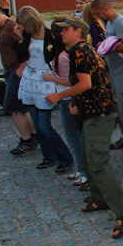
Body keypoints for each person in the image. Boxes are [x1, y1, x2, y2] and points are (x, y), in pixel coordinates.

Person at [46, 18, 123, 239]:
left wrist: (59, 95)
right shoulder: (83, 50)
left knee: (97, 161)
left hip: (100, 114)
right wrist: (77, 101)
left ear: (78, 32)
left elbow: (85, 84)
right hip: (93, 112)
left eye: (66, 30)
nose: (61, 34)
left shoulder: (79, 52)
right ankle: (100, 198)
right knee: (88, 158)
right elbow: (92, 82)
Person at [15, 6, 75, 172]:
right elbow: (21, 56)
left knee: (45, 126)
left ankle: (65, 157)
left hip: (45, 80)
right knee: (37, 125)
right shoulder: (27, 36)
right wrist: (19, 39)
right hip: (30, 79)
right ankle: (49, 156)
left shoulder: (50, 36)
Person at [0, 4, 37, 154]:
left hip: (16, 72)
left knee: (12, 106)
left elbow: (27, 46)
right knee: (21, 107)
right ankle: (34, 135)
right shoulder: (6, 28)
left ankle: (27, 139)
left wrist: (21, 68)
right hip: (13, 71)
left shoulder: (11, 27)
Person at [43, 19, 87, 186]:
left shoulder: (64, 56)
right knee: (75, 137)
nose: (62, 34)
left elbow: (72, 82)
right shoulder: (64, 53)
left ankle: (84, 170)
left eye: (65, 30)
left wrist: (52, 79)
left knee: (74, 137)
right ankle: (82, 169)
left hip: (68, 98)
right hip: (68, 97)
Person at [92, 0, 123, 150]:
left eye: (97, 13)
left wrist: (108, 46)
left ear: (105, 9)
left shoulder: (120, 22)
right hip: (114, 70)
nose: (97, 17)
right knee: (120, 106)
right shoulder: (109, 22)